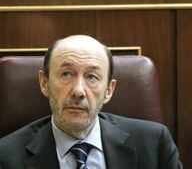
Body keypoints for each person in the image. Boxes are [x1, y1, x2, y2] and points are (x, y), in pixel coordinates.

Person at [0, 35, 182, 169]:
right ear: (44, 83)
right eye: (66, 74)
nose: (78, 91)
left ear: (109, 90)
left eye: (92, 77)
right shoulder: (7, 158)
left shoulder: (153, 144)